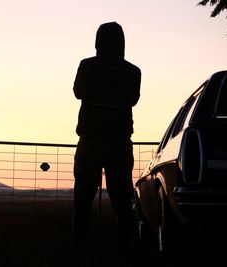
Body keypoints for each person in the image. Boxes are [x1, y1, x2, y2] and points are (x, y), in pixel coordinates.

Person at [71, 21, 141, 252]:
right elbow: (132, 99)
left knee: (83, 195)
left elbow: (78, 92)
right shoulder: (132, 72)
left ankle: (80, 243)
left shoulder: (87, 66)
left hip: (90, 139)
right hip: (119, 142)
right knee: (121, 197)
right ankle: (125, 244)